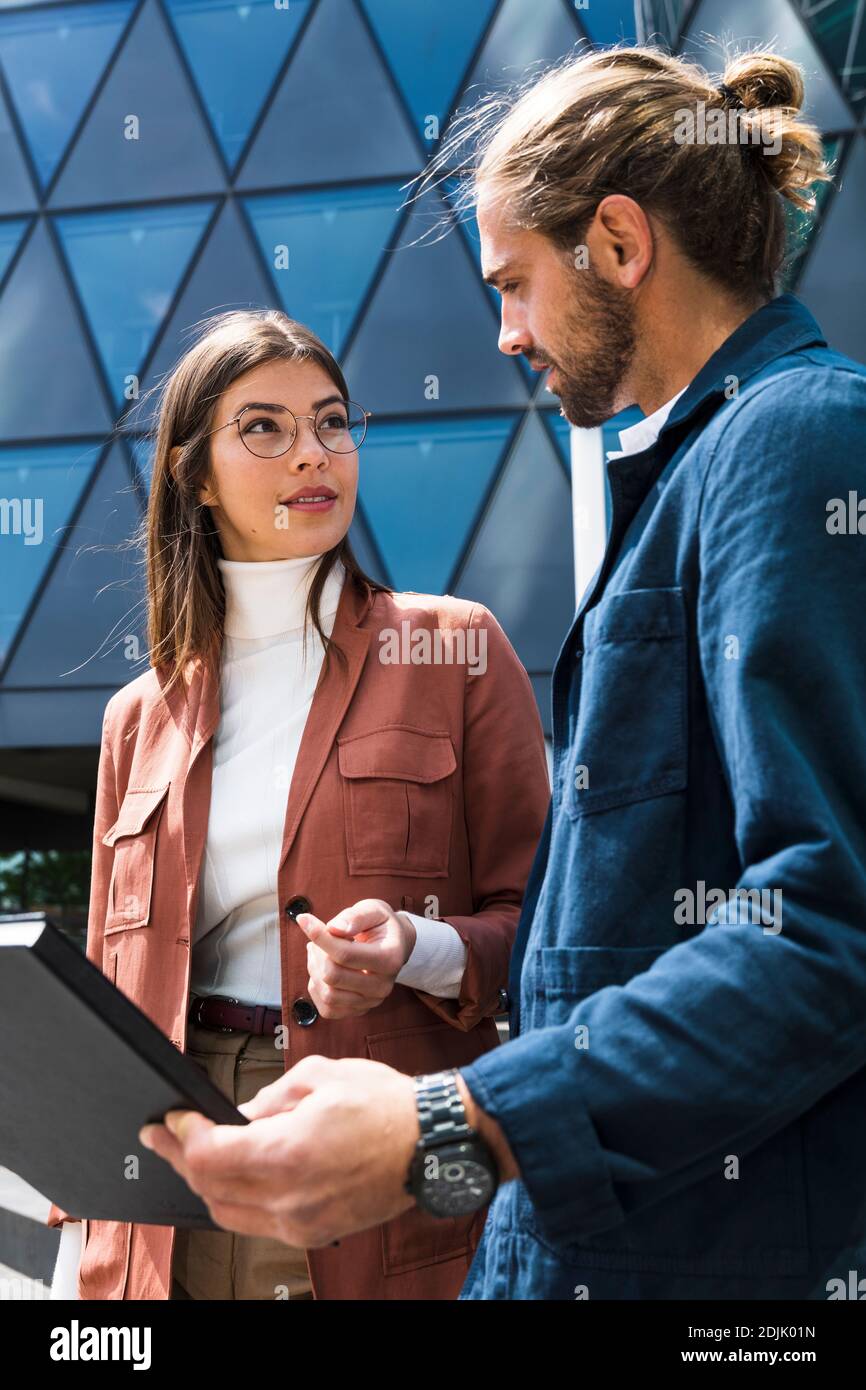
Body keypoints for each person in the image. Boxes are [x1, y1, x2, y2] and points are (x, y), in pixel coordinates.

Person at [139, 43, 866, 1301]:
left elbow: (827, 924)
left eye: (515, 283)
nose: (505, 332)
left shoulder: (796, 443)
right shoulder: (699, 476)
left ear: (619, 244)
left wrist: (452, 1122)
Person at [45, 308, 550, 1299]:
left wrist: (415, 945)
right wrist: (83, 1245)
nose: (312, 454)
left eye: (330, 421)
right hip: (165, 1165)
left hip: (352, 1151)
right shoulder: (135, 717)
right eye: (264, 428)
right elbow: (108, 992)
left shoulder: (453, 649)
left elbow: (542, 931)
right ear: (192, 474)